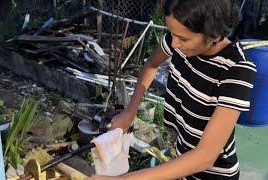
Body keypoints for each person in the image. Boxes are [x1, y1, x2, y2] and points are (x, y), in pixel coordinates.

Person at [89, 0, 256, 179]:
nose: (174, 44)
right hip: (182, 162)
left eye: (183, 38)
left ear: (213, 34)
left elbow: (205, 157)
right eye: (172, 33)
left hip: (214, 174)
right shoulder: (179, 41)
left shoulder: (237, 70)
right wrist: (130, 111)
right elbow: (151, 65)